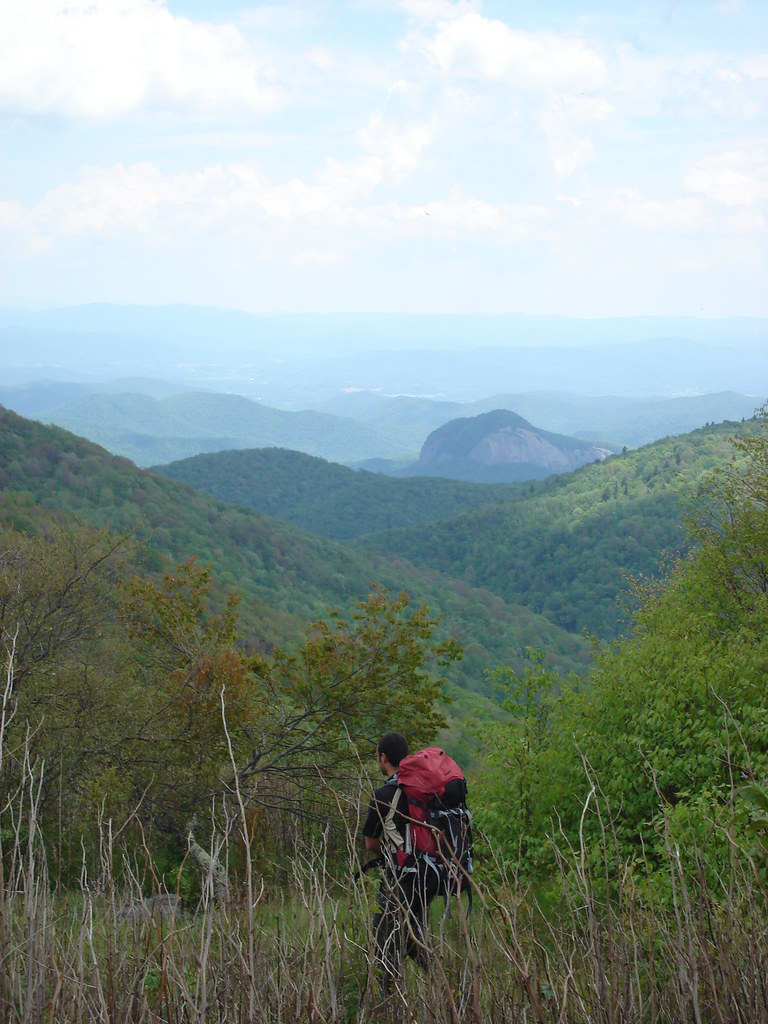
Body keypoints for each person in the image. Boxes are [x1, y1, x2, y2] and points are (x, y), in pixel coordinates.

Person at [361, 732, 440, 989]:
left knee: (386, 941)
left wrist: (392, 854)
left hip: (398, 879)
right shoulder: (424, 790)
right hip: (426, 877)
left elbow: (371, 843)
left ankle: (388, 1001)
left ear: (383, 757)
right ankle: (445, 987)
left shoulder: (383, 794)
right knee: (412, 938)